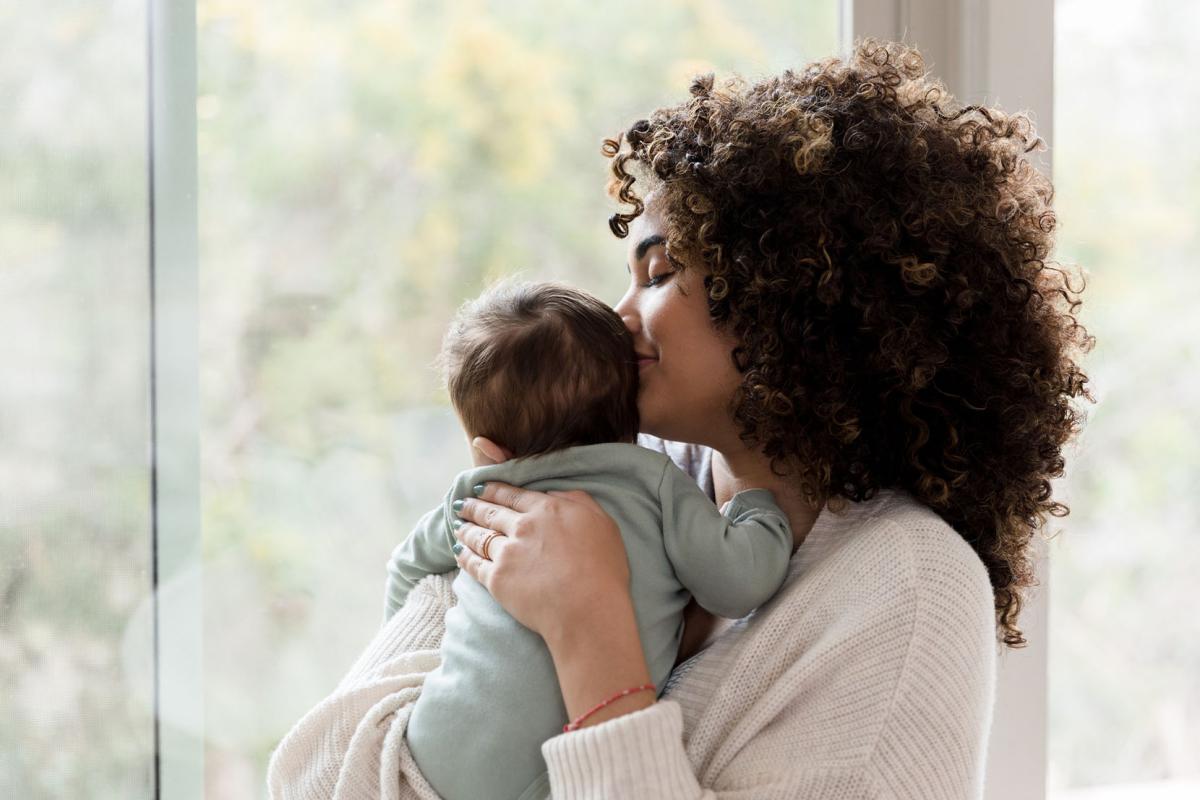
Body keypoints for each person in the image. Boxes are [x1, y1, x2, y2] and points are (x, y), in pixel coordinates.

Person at [268, 37, 1094, 800]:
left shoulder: (905, 588)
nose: (619, 315)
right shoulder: (601, 466)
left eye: (659, 273)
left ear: (793, 299)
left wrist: (591, 631)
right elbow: (310, 779)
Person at [381, 278, 794, 800]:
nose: (627, 310)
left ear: (488, 449)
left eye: (657, 274)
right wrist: (757, 505)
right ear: (630, 414)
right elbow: (739, 585)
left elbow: (405, 571)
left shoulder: (476, 494)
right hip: (572, 763)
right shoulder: (654, 482)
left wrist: (420, 662)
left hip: (436, 748)